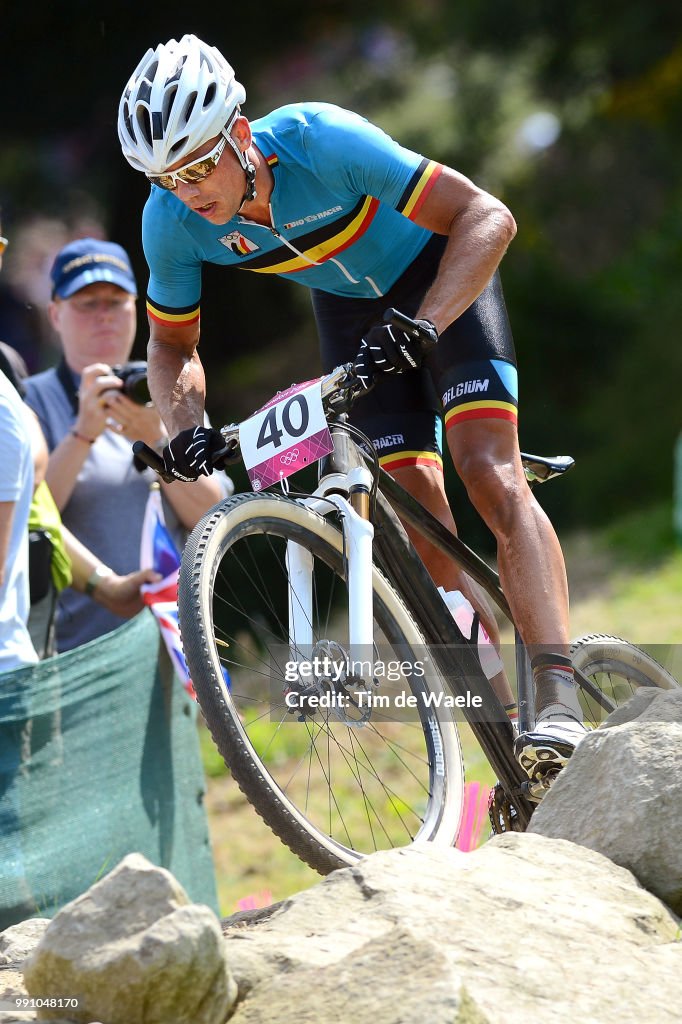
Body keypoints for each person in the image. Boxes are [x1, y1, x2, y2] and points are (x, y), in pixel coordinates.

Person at [117, 34, 586, 774]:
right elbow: (172, 347)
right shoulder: (170, 221)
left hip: (441, 276)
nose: (189, 192)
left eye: (200, 164)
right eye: (167, 177)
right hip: (351, 315)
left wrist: (427, 323)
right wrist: (184, 426)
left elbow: (487, 216)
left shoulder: (321, 140)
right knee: (421, 525)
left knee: (488, 474)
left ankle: (557, 695)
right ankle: (512, 745)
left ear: (241, 135)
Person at [23, 237, 229, 653]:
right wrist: (82, 434)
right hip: (71, 652)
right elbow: (28, 517)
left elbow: (215, 515)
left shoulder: (172, 394)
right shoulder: (30, 402)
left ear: (138, 309)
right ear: (55, 315)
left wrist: (155, 440)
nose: (104, 317)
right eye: (87, 303)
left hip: (173, 644)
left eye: (116, 301)